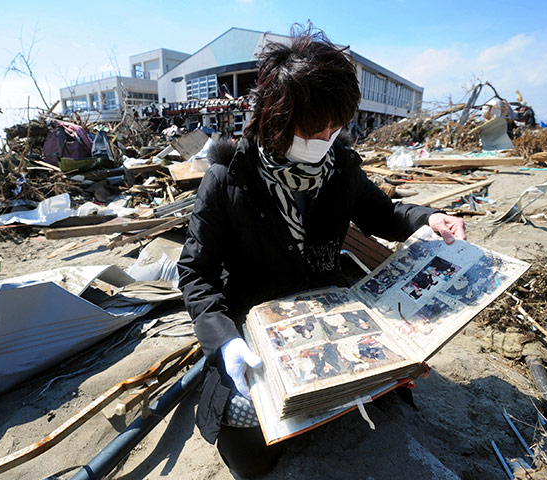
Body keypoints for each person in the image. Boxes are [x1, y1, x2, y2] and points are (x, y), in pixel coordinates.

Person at [177, 25, 465, 478]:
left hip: (330, 311)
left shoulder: (340, 168)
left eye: (337, 126)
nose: (328, 136)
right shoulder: (228, 178)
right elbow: (196, 272)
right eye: (315, 127)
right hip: (255, 322)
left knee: (377, 390)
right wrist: (223, 341)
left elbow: (384, 214)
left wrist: (428, 218)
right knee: (249, 440)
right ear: (275, 117)